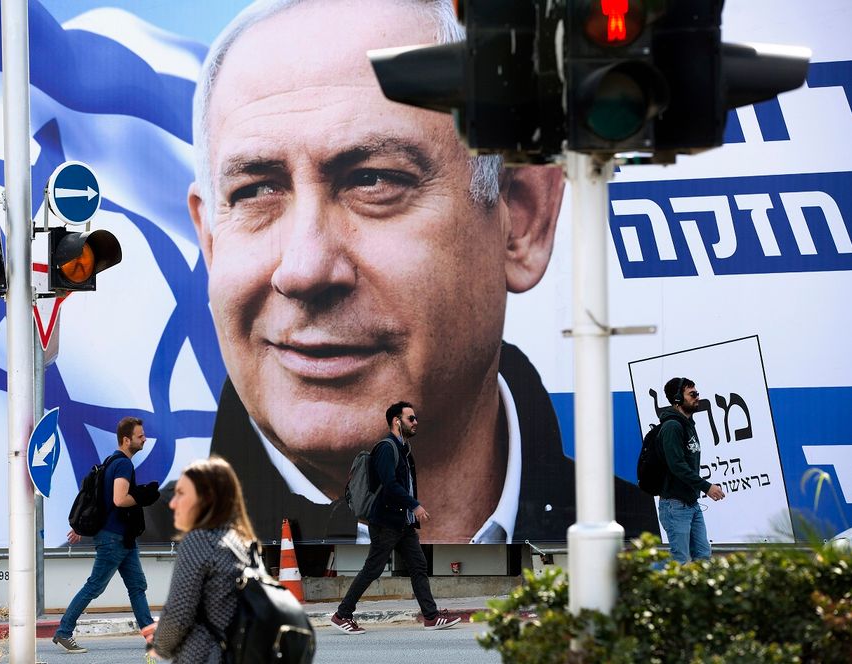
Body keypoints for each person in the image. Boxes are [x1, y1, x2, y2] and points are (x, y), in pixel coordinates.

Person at [162, 0, 658, 546]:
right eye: (255, 191)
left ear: (522, 218)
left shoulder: (660, 564)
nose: (303, 269)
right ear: (210, 242)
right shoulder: (118, 566)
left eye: (373, 180)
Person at [331, 402, 461, 634]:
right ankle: (342, 615)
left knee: (418, 566)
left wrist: (410, 512)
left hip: (403, 523)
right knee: (373, 569)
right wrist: (414, 505)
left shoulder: (403, 449)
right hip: (385, 523)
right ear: (396, 421)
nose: (416, 422)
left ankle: (430, 617)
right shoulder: (386, 448)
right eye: (411, 418)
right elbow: (390, 485)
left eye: (416, 418)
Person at [52, 416, 161, 653]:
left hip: (122, 538)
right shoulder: (122, 464)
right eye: (140, 436)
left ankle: (152, 636)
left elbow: (100, 503)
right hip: (114, 539)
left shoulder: (110, 461)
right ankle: (63, 632)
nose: (144, 439)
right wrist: (143, 496)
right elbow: (119, 499)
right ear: (126, 439)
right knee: (94, 586)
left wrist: (81, 528)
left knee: (137, 585)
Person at [143, 456, 258, 663]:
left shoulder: (200, 540)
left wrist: (159, 645)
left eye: (180, 493)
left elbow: (179, 613)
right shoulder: (241, 541)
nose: (172, 503)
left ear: (205, 498)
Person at [657, 377, 726, 563]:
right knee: (680, 560)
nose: (697, 397)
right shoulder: (672, 426)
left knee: (703, 555)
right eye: (692, 394)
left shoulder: (688, 425)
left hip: (691, 503)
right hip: (675, 505)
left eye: (697, 393)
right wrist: (707, 486)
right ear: (678, 398)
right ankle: (645, 583)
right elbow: (677, 465)